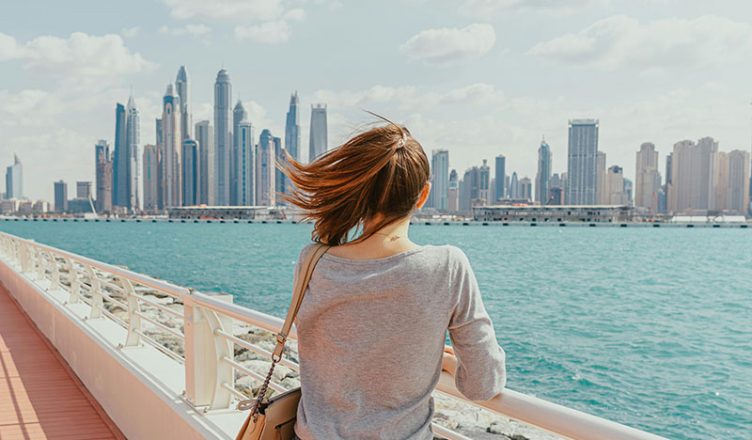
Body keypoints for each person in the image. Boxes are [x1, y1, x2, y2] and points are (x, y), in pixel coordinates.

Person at [283, 120, 506, 440]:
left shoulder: (313, 260)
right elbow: (483, 384)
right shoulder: (448, 266)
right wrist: (436, 360)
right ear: (423, 195)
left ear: (358, 192)